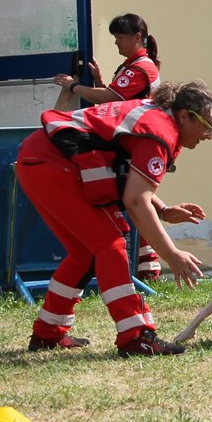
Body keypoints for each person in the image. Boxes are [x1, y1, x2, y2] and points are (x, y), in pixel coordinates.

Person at [15, 80, 212, 357]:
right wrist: (171, 254)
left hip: (38, 159)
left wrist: (162, 209)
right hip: (53, 164)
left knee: (84, 254)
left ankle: (48, 333)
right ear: (184, 116)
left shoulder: (157, 117)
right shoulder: (159, 129)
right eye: (207, 126)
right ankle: (136, 336)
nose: (209, 136)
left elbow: (131, 181)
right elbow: (134, 201)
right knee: (110, 245)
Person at [53, 14, 165, 281]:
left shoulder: (141, 67)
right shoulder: (132, 66)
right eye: (115, 38)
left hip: (133, 146)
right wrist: (100, 82)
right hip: (131, 145)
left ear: (138, 38)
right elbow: (113, 101)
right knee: (131, 202)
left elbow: (112, 99)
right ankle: (145, 265)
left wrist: (75, 87)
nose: (117, 44)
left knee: (130, 202)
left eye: (121, 38)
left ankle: (147, 266)